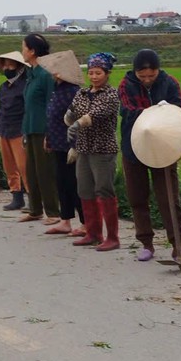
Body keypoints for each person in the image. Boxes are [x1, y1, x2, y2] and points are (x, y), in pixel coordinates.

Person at [119, 49, 181, 265]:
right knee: (137, 197)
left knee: (169, 198)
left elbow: (180, 108)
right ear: (135, 72)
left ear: (158, 70)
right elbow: (129, 110)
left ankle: (179, 247)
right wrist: (154, 112)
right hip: (134, 146)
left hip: (164, 146)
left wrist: (168, 110)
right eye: (142, 75)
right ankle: (146, 243)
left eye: (151, 75)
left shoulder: (169, 82)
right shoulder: (126, 84)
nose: (147, 79)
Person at [64, 53, 120, 251]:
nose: (94, 77)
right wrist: (69, 118)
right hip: (84, 148)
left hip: (103, 149)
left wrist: (77, 123)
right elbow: (72, 112)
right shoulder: (82, 93)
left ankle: (113, 237)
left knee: (104, 190)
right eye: (91, 73)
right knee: (84, 190)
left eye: (99, 73)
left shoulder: (111, 95)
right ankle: (93, 233)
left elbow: (94, 114)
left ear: (107, 73)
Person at [39, 50, 84, 236]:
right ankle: (65, 220)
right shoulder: (57, 89)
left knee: (74, 183)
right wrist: (48, 137)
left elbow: (78, 121)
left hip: (70, 144)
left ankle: (85, 222)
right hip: (57, 141)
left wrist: (75, 145)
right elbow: (53, 116)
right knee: (62, 182)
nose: (52, 73)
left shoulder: (73, 92)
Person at [19, 33, 60, 225]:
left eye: (24, 48)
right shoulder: (31, 73)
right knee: (31, 171)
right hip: (30, 127)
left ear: (32, 51)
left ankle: (53, 211)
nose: (22, 51)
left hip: (43, 128)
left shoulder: (45, 74)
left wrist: (51, 133)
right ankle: (35, 209)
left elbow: (52, 105)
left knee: (45, 172)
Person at [0, 51, 29, 211]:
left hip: (19, 130)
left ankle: (34, 198)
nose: (7, 68)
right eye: (4, 65)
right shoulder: (4, 87)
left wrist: (27, 132)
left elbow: (29, 110)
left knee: (24, 167)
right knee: (9, 167)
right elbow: (0, 111)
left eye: (10, 64)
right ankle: (16, 196)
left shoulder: (26, 85)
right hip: (4, 130)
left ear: (19, 67)